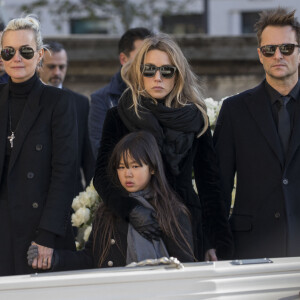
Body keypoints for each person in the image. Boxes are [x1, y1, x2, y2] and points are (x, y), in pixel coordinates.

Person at [93, 33, 233, 261]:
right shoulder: (119, 115)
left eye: (166, 71)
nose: (157, 77)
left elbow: (210, 185)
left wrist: (214, 241)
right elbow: (101, 175)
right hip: (134, 222)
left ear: (178, 75)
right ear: (139, 72)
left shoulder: (196, 118)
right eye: (150, 69)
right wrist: (130, 210)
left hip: (185, 225)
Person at [28, 131, 195, 270]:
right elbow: (90, 258)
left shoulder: (172, 212)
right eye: (121, 167)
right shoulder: (108, 211)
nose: (127, 174)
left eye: (135, 166)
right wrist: (53, 258)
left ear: (152, 167)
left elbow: (184, 267)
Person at [213, 8, 300, 259]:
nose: (278, 56)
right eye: (269, 50)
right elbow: (219, 184)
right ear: (260, 55)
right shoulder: (234, 110)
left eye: (286, 48)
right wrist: (215, 242)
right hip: (251, 246)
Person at [0, 15, 77, 276]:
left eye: (26, 51)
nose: (16, 58)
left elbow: (65, 174)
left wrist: (46, 236)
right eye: (8, 52)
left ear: (40, 54)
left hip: (40, 234)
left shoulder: (59, 102)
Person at [38, 41, 94, 195]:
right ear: (39, 65)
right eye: (51, 67)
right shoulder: (28, 100)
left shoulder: (81, 103)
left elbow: (88, 157)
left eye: (62, 67)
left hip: (71, 195)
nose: (57, 72)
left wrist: (92, 200)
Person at [89, 27, 151, 159]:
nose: (148, 64)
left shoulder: (163, 92)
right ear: (123, 59)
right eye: (141, 57)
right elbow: (102, 151)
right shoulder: (102, 99)